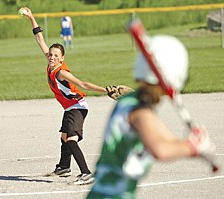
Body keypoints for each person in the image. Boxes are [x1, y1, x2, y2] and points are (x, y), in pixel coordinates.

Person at [86, 35, 216, 198]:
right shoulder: (141, 113)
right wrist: (193, 147)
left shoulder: (130, 102)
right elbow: (161, 150)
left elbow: (163, 138)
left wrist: (191, 143)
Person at [22, 7, 108, 185]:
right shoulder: (50, 64)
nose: (51, 57)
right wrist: (31, 17)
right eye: (50, 54)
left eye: (56, 56)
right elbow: (39, 38)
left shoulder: (61, 73)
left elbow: (83, 84)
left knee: (71, 140)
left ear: (62, 59)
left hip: (77, 107)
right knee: (63, 137)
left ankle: (86, 173)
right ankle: (64, 167)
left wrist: (106, 90)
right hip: (70, 107)